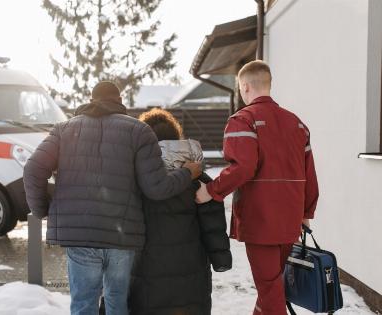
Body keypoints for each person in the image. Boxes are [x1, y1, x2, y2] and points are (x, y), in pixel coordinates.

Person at [23, 81, 203, 315]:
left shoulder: (63, 130)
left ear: (91, 99)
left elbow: (33, 170)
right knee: (117, 302)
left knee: (83, 303)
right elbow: (156, 188)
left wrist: (42, 210)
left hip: (80, 235)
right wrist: (188, 172)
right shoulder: (139, 131)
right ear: (119, 100)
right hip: (121, 235)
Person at [195, 60, 319, 315]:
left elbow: (243, 167)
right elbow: (310, 174)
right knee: (272, 287)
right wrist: (306, 213)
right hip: (290, 220)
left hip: (260, 220)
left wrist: (211, 191)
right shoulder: (297, 124)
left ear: (245, 86)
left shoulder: (243, 120)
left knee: (270, 289)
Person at [129, 108, 232, 315]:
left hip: (148, 274)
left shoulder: (136, 178)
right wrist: (221, 259)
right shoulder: (199, 178)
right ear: (177, 137)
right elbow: (213, 224)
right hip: (191, 275)